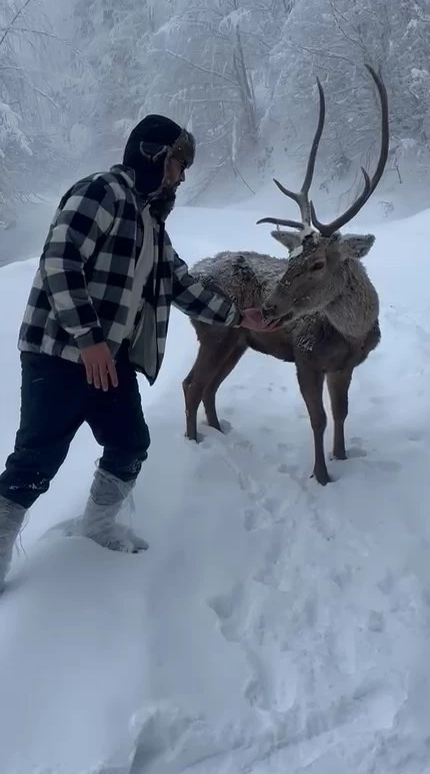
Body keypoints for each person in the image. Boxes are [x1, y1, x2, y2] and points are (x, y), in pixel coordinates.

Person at [0, 114, 278, 592]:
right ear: (152, 153)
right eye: (179, 161)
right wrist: (88, 339)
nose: (184, 174)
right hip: (58, 354)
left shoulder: (149, 219)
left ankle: (98, 527)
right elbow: (59, 263)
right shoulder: (100, 193)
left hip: (111, 359)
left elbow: (179, 283)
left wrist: (238, 316)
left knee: (130, 443)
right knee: (34, 462)